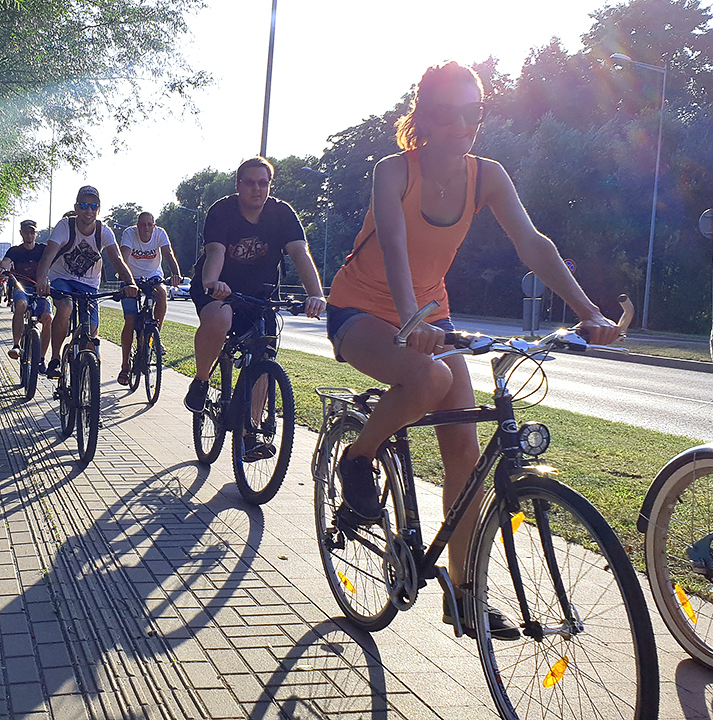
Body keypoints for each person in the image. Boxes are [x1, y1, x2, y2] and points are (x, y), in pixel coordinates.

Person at [324, 61, 622, 638]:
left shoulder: (487, 175)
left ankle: (464, 594)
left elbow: (533, 244)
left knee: (464, 443)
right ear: (424, 117)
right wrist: (412, 323)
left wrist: (588, 312)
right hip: (361, 306)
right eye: (446, 113)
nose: (461, 125)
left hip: (429, 313)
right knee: (429, 382)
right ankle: (358, 456)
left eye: (473, 113)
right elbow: (392, 245)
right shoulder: (394, 172)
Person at [183, 156, 326, 413]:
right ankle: (202, 380)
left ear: (270, 185)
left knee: (264, 353)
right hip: (219, 289)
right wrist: (212, 282)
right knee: (219, 316)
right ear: (238, 185)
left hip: (260, 295)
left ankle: (251, 432)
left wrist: (316, 295)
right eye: (249, 183)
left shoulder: (282, 213)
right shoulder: (222, 211)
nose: (256, 189)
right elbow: (216, 252)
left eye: (263, 183)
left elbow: (299, 254)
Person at [36, 186, 138, 379]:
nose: (88, 210)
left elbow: (117, 259)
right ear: (76, 207)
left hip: (89, 285)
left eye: (93, 206)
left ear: (99, 209)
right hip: (62, 278)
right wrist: (42, 280)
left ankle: (83, 376)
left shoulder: (104, 231)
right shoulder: (65, 226)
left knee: (91, 334)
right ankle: (56, 358)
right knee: (65, 307)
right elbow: (48, 256)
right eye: (84, 205)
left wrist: (130, 283)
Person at [115, 212, 183, 385]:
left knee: (161, 293)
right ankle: (125, 366)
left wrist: (176, 273)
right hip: (131, 279)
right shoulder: (130, 233)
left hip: (153, 277)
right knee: (130, 321)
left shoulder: (160, 233)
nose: (146, 228)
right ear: (137, 226)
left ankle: (154, 337)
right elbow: (123, 256)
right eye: (142, 225)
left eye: (149, 224)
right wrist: (126, 279)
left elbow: (168, 254)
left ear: (154, 225)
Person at [1, 219, 53, 363]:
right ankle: (16, 345)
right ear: (21, 233)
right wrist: (2, 268)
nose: (29, 235)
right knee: (21, 305)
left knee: (48, 318)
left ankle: (41, 358)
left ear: (36, 233)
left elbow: (54, 258)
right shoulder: (15, 251)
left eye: (32, 232)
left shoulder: (43, 249)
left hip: (40, 288)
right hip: (21, 287)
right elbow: (5, 262)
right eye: (26, 232)